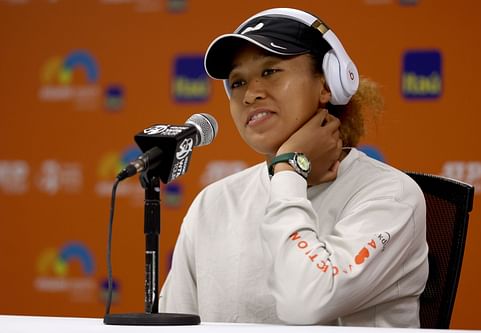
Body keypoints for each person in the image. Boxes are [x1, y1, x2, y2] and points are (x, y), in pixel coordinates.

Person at [159, 7, 428, 327]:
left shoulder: (390, 196)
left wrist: (288, 170)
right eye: (238, 82)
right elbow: (173, 324)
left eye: (270, 71)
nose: (250, 94)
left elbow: (305, 304)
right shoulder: (213, 203)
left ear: (328, 84)